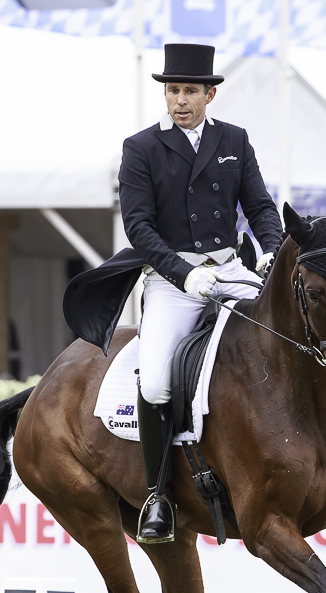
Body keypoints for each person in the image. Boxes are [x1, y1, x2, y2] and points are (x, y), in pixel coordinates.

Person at [117, 43, 284, 544]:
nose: (180, 100)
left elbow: (259, 207)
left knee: (287, 334)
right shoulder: (141, 147)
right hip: (174, 282)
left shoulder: (235, 140)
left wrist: (273, 251)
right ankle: (157, 496)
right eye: (173, 90)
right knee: (155, 384)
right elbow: (138, 226)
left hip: (230, 270)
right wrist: (181, 274)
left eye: (190, 90)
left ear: (210, 94)